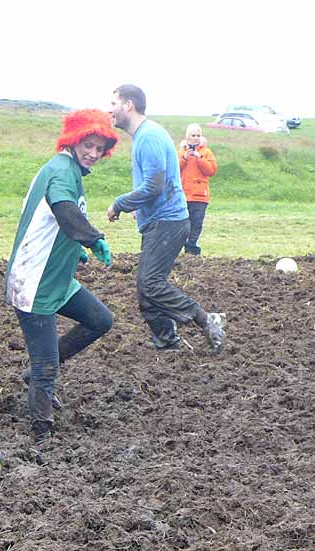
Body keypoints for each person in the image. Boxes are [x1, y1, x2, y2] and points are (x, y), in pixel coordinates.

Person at [5, 109, 117, 444]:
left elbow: (53, 218)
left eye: (99, 148)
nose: (93, 154)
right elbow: (65, 210)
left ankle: (35, 377)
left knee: (100, 320)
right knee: (46, 365)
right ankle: (42, 432)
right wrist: (93, 238)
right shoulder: (61, 170)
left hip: (56, 278)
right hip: (34, 283)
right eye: (88, 145)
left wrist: (73, 248)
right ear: (74, 139)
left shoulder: (69, 169)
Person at [106, 84, 225, 352]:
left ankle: (207, 319)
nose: (109, 109)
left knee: (151, 283)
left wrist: (121, 203)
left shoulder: (148, 137)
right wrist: (139, 206)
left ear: (128, 105)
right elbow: (155, 185)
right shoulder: (145, 136)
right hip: (159, 220)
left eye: (113, 103)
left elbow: (154, 186)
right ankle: (167, 341)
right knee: (146, 288)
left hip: (168, 222)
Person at [177, 124, 217, 256]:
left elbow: (211, 170)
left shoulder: (206, 152)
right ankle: (178, 247)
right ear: (187, 137)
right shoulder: (181, 152)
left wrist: (199, 158)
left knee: (197, 223)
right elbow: (174, 169)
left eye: (198, 135)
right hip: (183, 195)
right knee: (182, 223)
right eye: (193, 135)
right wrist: (185, 158)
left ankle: (191, 248)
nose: (195, 138)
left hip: (200, 196)